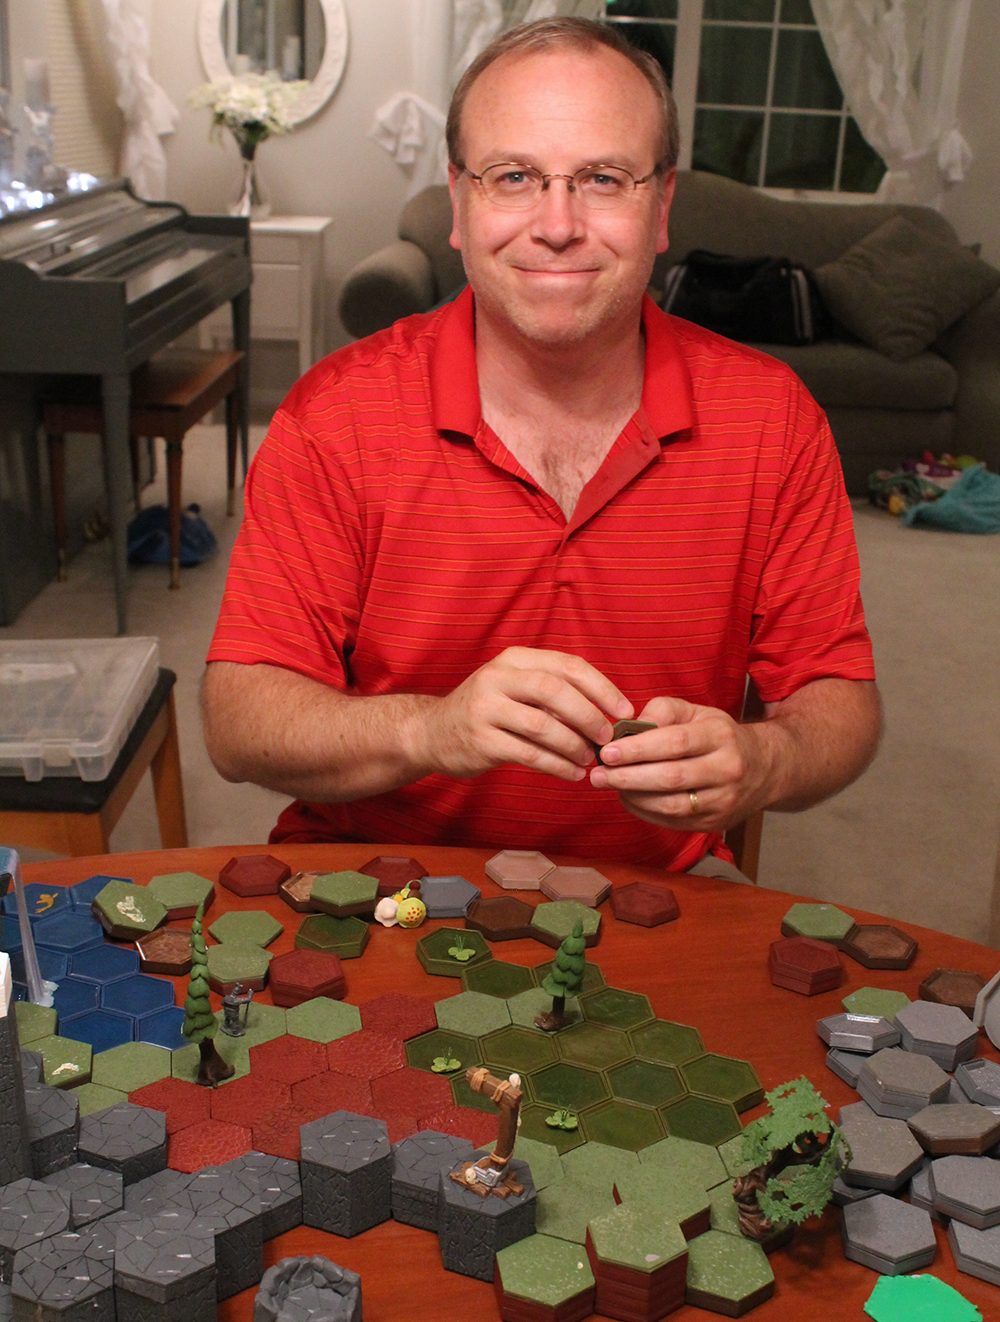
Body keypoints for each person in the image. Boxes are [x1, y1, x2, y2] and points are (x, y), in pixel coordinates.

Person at [202, 17, 880, 877]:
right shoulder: (336, 417)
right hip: (376, 877)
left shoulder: (772, 420)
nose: (557, 225)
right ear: (459, 201)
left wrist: (765, 760)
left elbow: (839, 700)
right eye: (514, 177)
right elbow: (238, 721)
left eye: (603, 179)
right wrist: (431, 729)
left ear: (662, 207)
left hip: (655, 886)